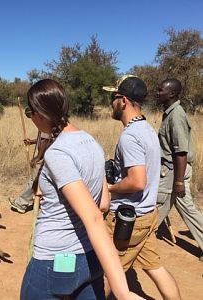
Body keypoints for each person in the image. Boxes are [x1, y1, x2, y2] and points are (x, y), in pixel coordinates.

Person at [20, 78, 144, 300]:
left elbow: (94, 218)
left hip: (53, 261)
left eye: (31, 112)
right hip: (89, 260)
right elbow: (104, 204)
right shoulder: (90, 142)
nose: (31, 117)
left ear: (39, 113)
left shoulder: (58, 153)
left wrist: (122, 292)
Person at [103, 75, 181, 299]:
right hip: (147, 215)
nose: (111, 102)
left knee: (109, 272)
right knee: (154, 266)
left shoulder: (130, 136)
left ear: (124, 100)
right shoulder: (146, 128)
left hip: (128, 220)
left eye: (113, 97)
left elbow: (137, 181)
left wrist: (109, 187)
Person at [156, 78, 203, 261]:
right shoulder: (170, 113)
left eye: (161, 90)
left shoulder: (176, 115)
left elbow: (181, 152)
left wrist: (178, 181)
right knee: (187, 209)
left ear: (172, 93)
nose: (158, 93)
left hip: (175, 171)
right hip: (173, 170)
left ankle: (139, 242)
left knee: (158, 206)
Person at [8, 131, 50, 213]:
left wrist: (38, 157)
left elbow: (45, 140)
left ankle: (21, 204)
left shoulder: (45, 123)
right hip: (47, 157)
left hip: (44, 158)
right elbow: (42, 139)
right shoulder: (46, 124)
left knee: (34, 181)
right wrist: (31, 141)